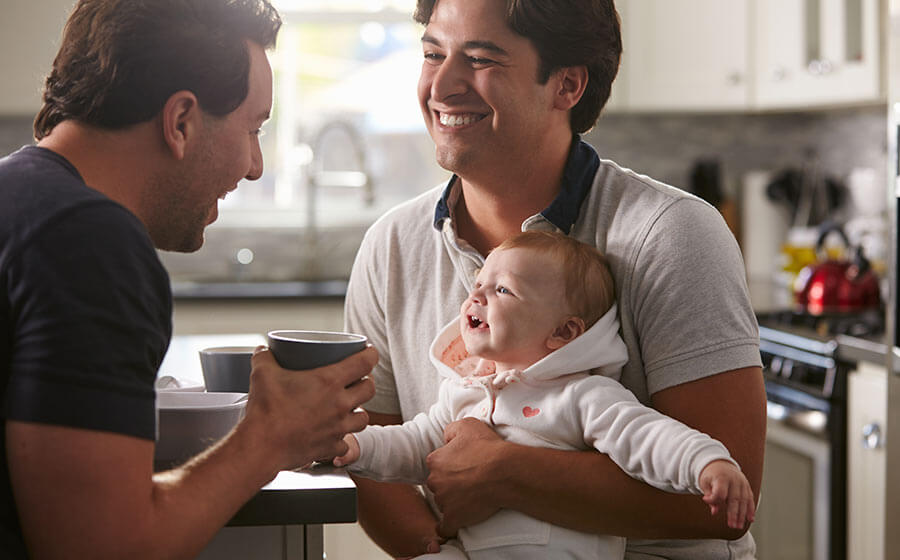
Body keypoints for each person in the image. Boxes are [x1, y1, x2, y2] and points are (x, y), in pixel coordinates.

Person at [343, 0, 767, 558]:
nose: (442, 85)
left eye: (479, 59)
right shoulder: (390, 248)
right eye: (432, 54)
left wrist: (504, 473)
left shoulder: (672, 235)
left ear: (566, 85)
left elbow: (723, 503)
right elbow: (371, 467)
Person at [0, 1, 376, 558]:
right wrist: (269, 437)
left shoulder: (19, 196)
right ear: (180, 122)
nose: (255, 166)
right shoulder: (90, 243)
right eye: (253, 129)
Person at [337, 231, 756, 559]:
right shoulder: (462, 395)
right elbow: (412, 444)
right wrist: (351, 445)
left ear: (563, 332)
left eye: (503, 290)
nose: (477, 295)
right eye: (479, 283)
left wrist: (708, 463)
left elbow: (649, 438)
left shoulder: (583, 395)